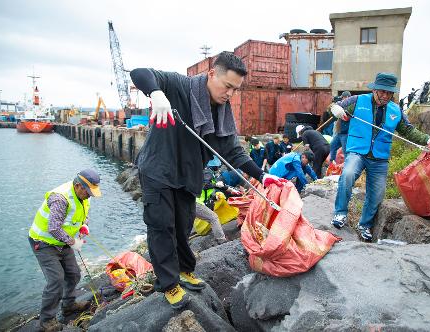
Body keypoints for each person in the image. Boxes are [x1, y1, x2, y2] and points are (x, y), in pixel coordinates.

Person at [130, 52, 284, 309]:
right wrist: (156, 93)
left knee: (183, 225)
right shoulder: (179, 85)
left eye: (235, 90)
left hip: (187, 176)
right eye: (227, 87)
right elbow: (140, 73)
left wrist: (262, 176)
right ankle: (168, 284)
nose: (230, 95)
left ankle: (183, 270)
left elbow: (234, 152)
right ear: (212, 74)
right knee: (161, 227)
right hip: (158, 170)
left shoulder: (222, 113)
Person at [329, 72, 430, 241]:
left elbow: (409, 130)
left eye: (389, 92)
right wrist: (337, 110)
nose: (385, 95)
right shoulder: (357, 101)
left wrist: (429, 140)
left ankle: (365, 225)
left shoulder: (396, 110)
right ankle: (340, 213)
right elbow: (334, 107)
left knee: (377, 193)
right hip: (357, 151)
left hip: (379, 158)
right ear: (375, 89)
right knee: (347, 175)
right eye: (382, 91)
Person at [28, 169, 101, 331]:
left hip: (62, 242)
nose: (90, 195)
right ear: (77, 186)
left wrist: (84, 226)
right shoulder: (60, 199)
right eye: (88, 191)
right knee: (56, 280)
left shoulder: (84, 196)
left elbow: (82, 214)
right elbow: (53, 227)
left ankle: (68, 305)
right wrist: (73, 242)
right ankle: (46, 321)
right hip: (44, 243)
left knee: (74, 273)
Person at [329, 91, 351, 164]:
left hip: (346, 133)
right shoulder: (340, 106)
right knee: (332, 145)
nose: (342, 99)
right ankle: (332, 162)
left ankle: (346, 165)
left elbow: (348, 118)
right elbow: (331, 111)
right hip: (339, 133)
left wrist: (344, 113)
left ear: (347, 97)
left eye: (343, 97)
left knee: (345, 151)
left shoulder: (351, 106)